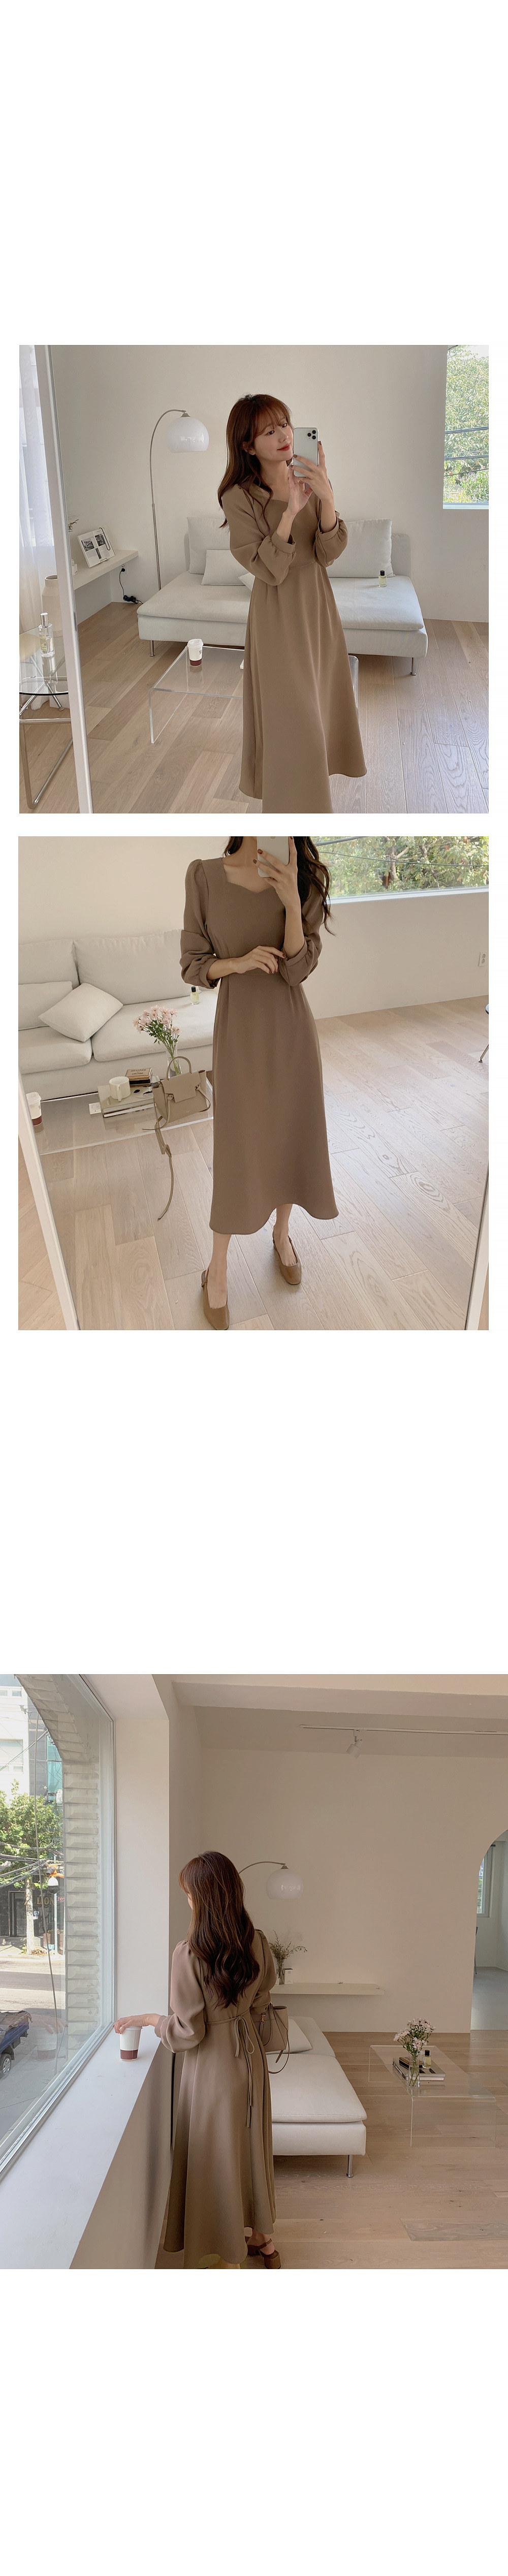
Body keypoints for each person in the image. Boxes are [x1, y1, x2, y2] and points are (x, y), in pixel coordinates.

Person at [180, 833, 338, 1327]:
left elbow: (296, 970)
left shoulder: (305, 879)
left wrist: (291, 901)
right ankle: (218, 1266)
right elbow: (192, 964)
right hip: (239, 1032)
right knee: (238, 1147)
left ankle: (282, 1235)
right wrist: (240, 962)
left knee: (289, 1137)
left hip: (291, 1031)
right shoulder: (204, 876)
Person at [115, 1851, 281, 2270]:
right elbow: (262, 1999)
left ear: (203, 1898)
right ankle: (263, 2239)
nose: (187, 1900)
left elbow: (189, 2032)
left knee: (217, 2157)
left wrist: (151, 2020)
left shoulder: (190, 1954)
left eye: (189, 1894)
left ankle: (227, 2255)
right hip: (252, 2062)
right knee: (251, 2146)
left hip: (213, 2070)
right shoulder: (257, 1941)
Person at [218, 392, 366, 810]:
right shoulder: (238, 497)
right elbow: (267, 569)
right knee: (294, 715)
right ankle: (296, 809)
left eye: (285, 424)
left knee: (320, 704)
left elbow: (327, 553)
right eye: (269, 431)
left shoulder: (310, 476)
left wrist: (327, 497)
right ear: (248, 445)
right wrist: (290, 512)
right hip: (278, 613)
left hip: (318, 607)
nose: (284, 435)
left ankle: (311, 802)